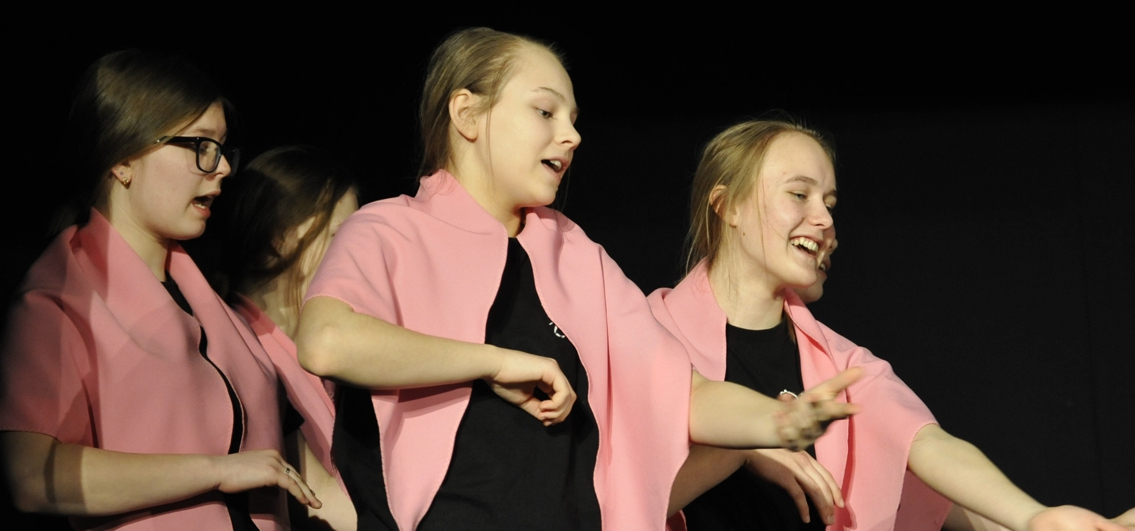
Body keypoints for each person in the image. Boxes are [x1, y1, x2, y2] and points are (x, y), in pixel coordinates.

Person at [295, 28, 860, 531]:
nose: (572, 135)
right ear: (467, 115)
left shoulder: (576, 255)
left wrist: (780, 419)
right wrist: (494, 362)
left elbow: (685, 393)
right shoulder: (389, 229)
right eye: (545, 112)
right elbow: (326, 341)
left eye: (573, 119)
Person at [650, 118, 1135, 531]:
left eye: (830, 201)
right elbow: (624, 497)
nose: (824, 218)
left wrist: (1037, 519)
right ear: (728, 206)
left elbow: (929, 448)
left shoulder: (841, 365)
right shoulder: (647, 335)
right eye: (799, 194)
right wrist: (746, 441)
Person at [0, 50, 319, 531]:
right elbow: (32, 475)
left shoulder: (216, 311)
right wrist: (216, 471)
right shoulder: (57, 302)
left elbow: (307, 483)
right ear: (124, 159)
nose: (222, 168)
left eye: (222, 149)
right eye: (201, 145)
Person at [216, 145, 359, 530]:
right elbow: (316, 499)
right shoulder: (244, 348)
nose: (359, 257)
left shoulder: (312, 348)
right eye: (341, 236)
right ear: (279, 239)